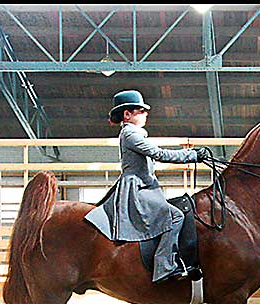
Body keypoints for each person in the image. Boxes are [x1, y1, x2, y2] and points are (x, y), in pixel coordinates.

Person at [84, 90, 210, 284]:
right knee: (174, 216)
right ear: (127, 114)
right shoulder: (130, 134)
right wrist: (192, 155)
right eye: (141, 110)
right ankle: (164, 267)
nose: (145, 114)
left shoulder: (134, 133)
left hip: (145, 185)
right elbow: (159, 154)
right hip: (137, 188)